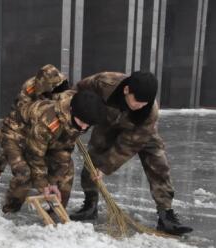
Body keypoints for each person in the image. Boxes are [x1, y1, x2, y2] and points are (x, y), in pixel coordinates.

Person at [69, 71, 192, 235]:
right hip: (108, 122)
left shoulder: (149, 111)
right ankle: (90, 204)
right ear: (127, 90)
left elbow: (129, 145)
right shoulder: (105, 83)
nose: (141, 105)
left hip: (138, 130)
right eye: (138, 101)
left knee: (158, 162)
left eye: (145, 103)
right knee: (93, 158)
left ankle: (166, 215)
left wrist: (107, 167)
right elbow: (76, 92)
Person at [0, 90, 107, 213]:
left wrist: (53, 182)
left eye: (88, 125)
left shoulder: (81, 110)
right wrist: (44, 185)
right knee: (24, 172)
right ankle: (10, 210)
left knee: (66, 172)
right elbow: (34, 156)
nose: (83, 127)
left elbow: (64, 151)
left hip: (48, 137)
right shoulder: (48, 121)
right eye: (81, 122)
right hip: (16, 133)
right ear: (72, 110)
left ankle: (56, 213)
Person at [0, 64, 70, 184]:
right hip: (24, 117)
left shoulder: (61, 82)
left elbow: (64, 99)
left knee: (45, 145)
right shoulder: (29, 87)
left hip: (47, 116)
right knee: (10, 142)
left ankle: (42, 175)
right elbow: (22, 109)